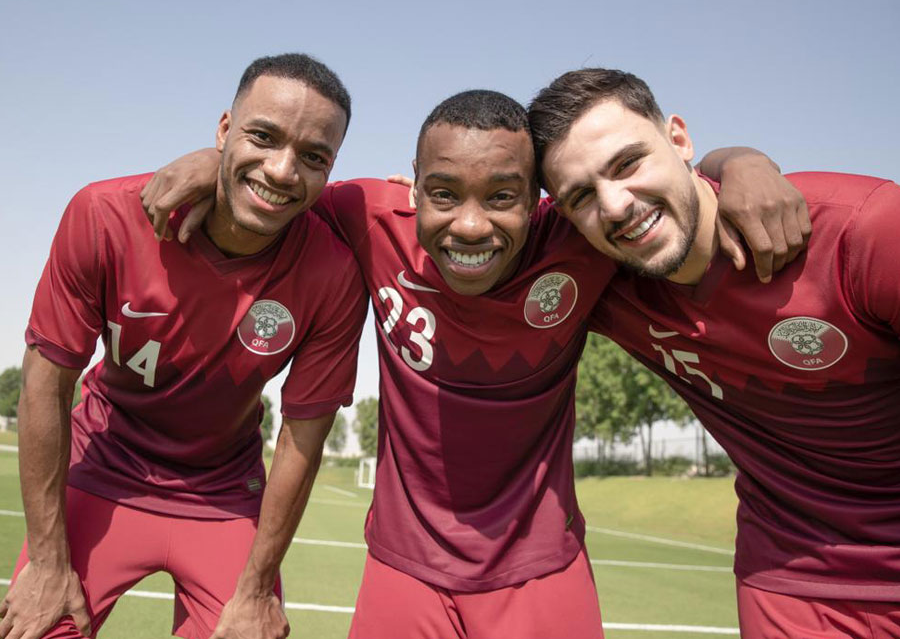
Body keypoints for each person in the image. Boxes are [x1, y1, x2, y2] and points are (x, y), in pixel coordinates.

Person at [141, 89, 804, 638]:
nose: (469, 226)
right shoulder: (368, 215)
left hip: (543, 573)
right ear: (415, 183)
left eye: (502, 197)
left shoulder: (580, 242)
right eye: (445, 193)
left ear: (541, 201)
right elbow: (278, 182)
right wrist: (213, 160)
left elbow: (683, 184)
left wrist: (742, 161)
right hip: (402, 571)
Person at [3, 53, 368, 639]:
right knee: (37, 627)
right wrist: (48, 563)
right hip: (104, 465)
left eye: (312, 156)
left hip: (222, 490)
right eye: (262, 136)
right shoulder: (103, 216)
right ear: (224, 130)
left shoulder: (334, 273)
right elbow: (46, 384)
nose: (281, 170)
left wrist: (255, 588)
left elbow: (302, 437)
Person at [529, 68, 900, 638]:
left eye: (628, 163)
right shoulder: (602, 278)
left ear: (679, 139)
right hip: (790, 578)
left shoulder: (863, 230)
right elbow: (478, 229)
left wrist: (739, 159)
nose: (617, 205)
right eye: (581, 195)